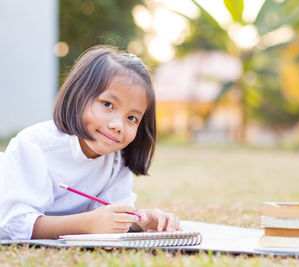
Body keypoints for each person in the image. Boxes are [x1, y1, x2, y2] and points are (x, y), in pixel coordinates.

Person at [0, 45, 180, 240]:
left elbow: (109, 217)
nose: (118, 125)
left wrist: (142, 220)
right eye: (108, 104)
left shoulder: (116, 160)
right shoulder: (34, 146)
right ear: (79, 95)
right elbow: (12, 224)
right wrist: (88, 224)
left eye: (132, 118)